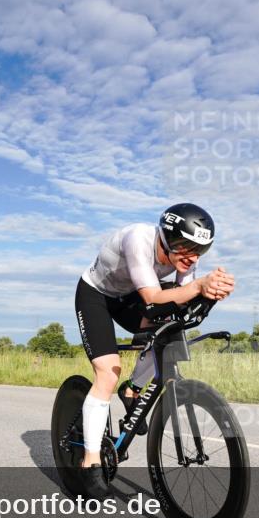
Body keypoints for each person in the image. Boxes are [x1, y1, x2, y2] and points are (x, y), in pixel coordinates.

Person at [74, 203, 235, 499]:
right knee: (108, 373)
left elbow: (181, 303)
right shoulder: (138, 239)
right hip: (97, 295)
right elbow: (152, 298)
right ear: (167, 237)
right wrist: (199, 286)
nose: (192, 256)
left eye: (200, 249)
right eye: (185, 247)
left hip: (128, 296)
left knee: (170, 330)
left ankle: (134, 389)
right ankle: (90, 460)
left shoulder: (187, 260)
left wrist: (212, 293)